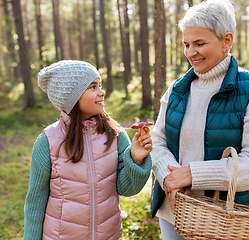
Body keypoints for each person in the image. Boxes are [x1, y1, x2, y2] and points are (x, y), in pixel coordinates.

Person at [150, 0, 249, 239]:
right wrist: (169, 178)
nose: (190, 52)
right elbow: (158, 141)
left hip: (225, 220)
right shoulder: (177, 88)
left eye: (200, 43)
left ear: (226, 41)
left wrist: (192, 174)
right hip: (174, 214)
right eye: (186, 44)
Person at [23, 60, 152, 240]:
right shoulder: (48, 142)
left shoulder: (115, 135)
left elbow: (126, 189)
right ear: (72, 96)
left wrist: (136, 159)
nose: (102, 92)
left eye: (100, 85)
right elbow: (35, 203)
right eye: (93, 87)